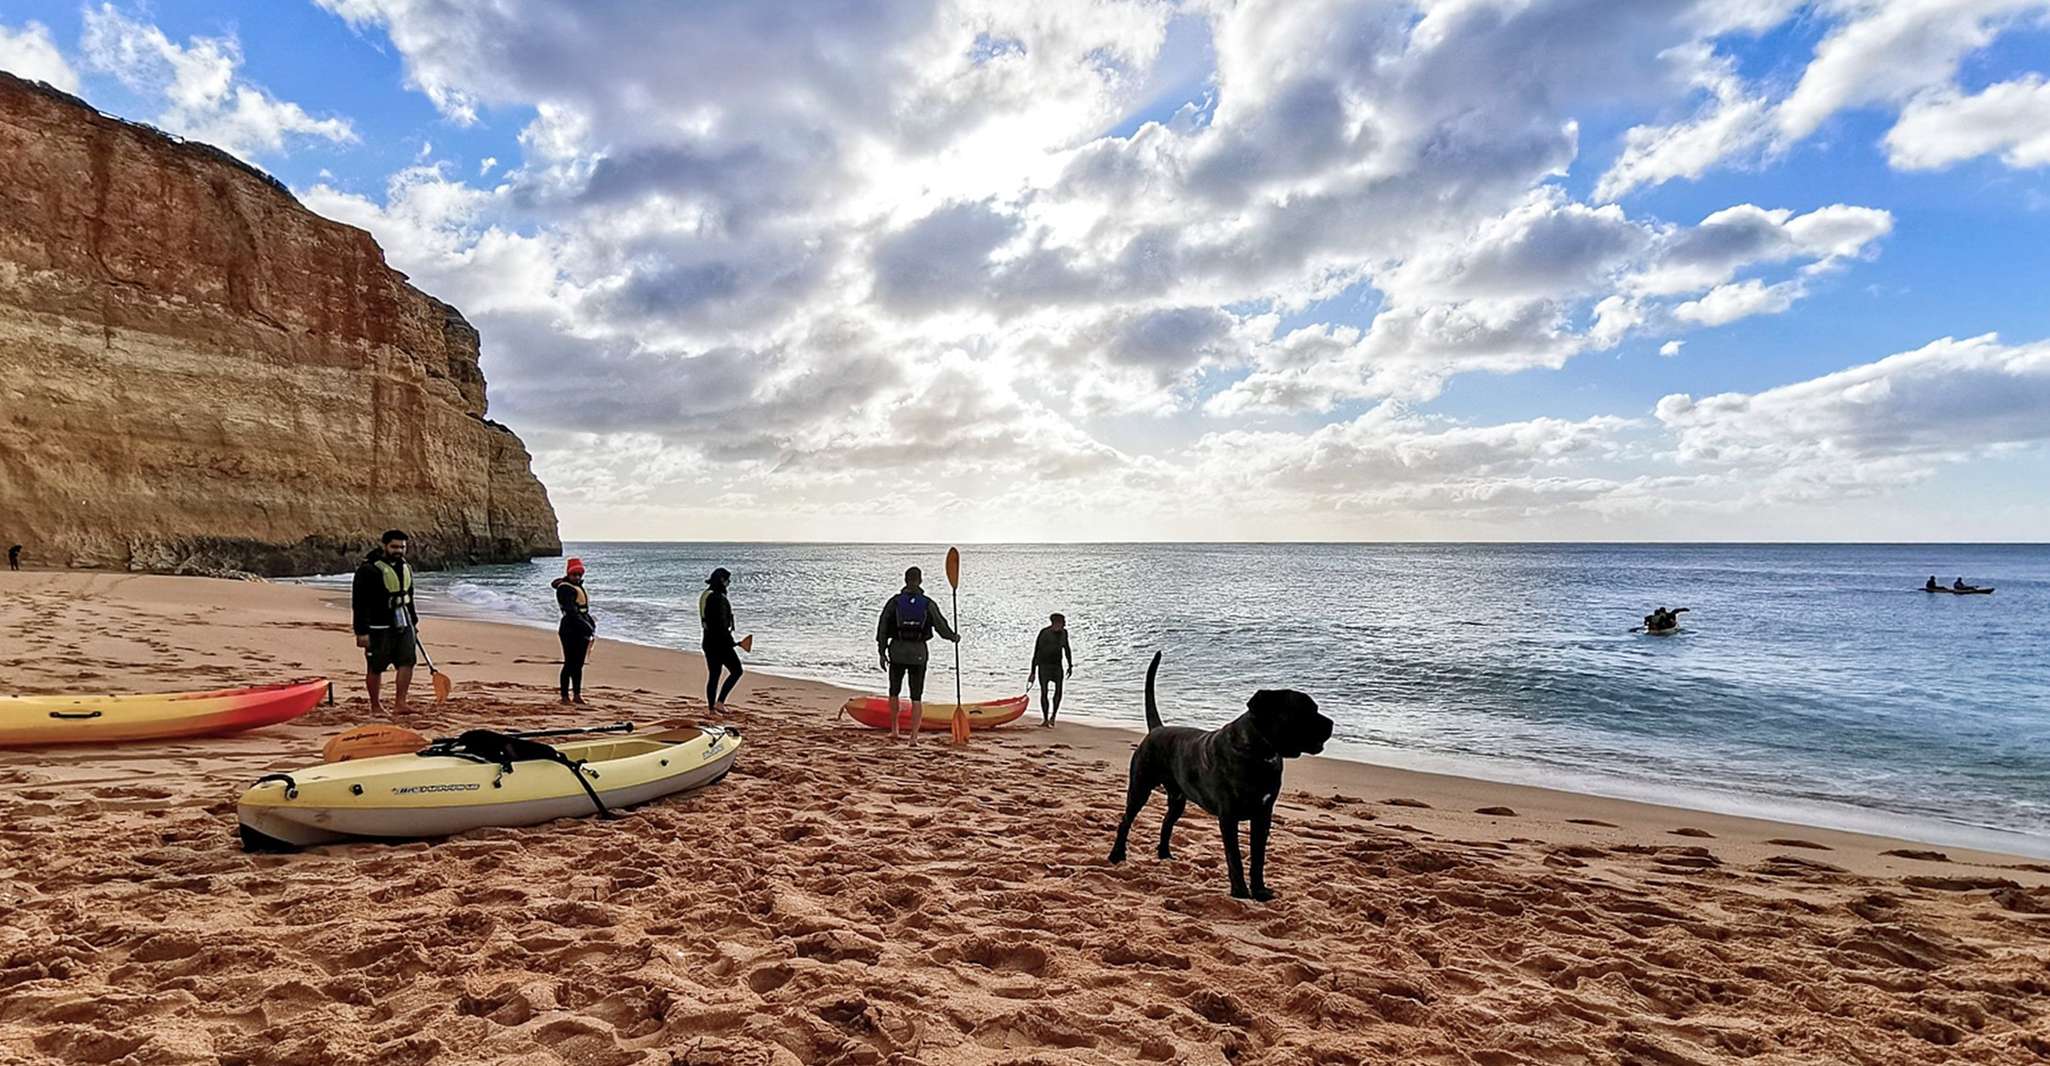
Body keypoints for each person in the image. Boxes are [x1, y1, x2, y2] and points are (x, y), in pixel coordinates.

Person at [875, 565, 958, 742]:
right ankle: (913, 737)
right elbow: (941, 627)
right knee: (916, 695)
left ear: (905, 580)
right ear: (920, 581)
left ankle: (895, 730)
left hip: (896, 651)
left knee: (894, 692)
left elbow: (882, 627)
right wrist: (954, 637)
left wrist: (881, 652)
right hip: (918, 653)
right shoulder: (928, 604)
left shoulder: (894, 602)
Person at [351, 530, 417, 716]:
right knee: (376, 666)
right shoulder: (368, 570)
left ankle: (400, 703)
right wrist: (361, 632)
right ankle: (375, 706)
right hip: (377, 626)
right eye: (394, 547)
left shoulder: (405, 567)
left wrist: (414, 622)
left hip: (404, 624)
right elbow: (359, 602)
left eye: (402, 547)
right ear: (385, 546)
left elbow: (409, 597)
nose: (399, 550)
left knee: (407, 662)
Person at [551, 558, 595, 704]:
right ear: (568, 574)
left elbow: (582, 611)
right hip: (569, 629)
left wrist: (590, 624)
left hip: (582, 630)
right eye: (574, 574)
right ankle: (564, 696)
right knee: (569, 663)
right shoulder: (565, 589)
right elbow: (571, 612)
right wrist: (586, 626)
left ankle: (577, 694)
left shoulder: (578, 587)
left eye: (579, 574)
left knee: (579, 665)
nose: (577, 577)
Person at [700, 567, 743, 712]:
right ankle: (720, 703)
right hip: (720, 643)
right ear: (722, 581)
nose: (728, 583)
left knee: (714, 675)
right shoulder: (718, 598)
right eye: (727, 580)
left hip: (708, 641)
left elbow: (710, 623)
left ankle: (712, 708)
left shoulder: (706, 595)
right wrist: (730, 641)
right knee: (737, 671)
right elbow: (720, 624)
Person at [1029, 613, 1074, 726]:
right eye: (1063, 622)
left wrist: (1070, 665)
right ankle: (1045, 719)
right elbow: (1036, 651)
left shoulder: (1064, 633)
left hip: (1057, 667)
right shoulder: (1044, 633)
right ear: (1055, 623)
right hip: (1044, 667)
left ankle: (1053, 716)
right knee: (1044, 692)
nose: (1065, 624)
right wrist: (1033, 672)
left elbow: (1067, 649)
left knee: (1058, 692)